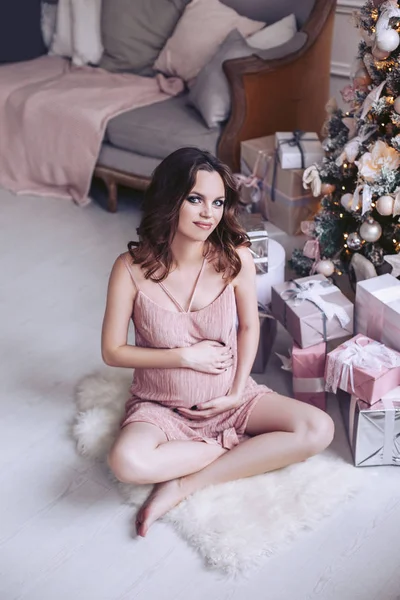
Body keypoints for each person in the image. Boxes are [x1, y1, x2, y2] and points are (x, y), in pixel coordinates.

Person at [101, 147, 334, 538]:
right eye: (195, 199)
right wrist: (185, 356)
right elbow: (112, 351)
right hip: (162, 407)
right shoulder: (129, 270)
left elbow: (248, 328)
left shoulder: (235, 257)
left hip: (231, 400)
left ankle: (186, 483)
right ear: (169, 198)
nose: (209, 213)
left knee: (319, 429)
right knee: (126, 462)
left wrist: (238, 390)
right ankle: (229, 450)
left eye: (218, 202)